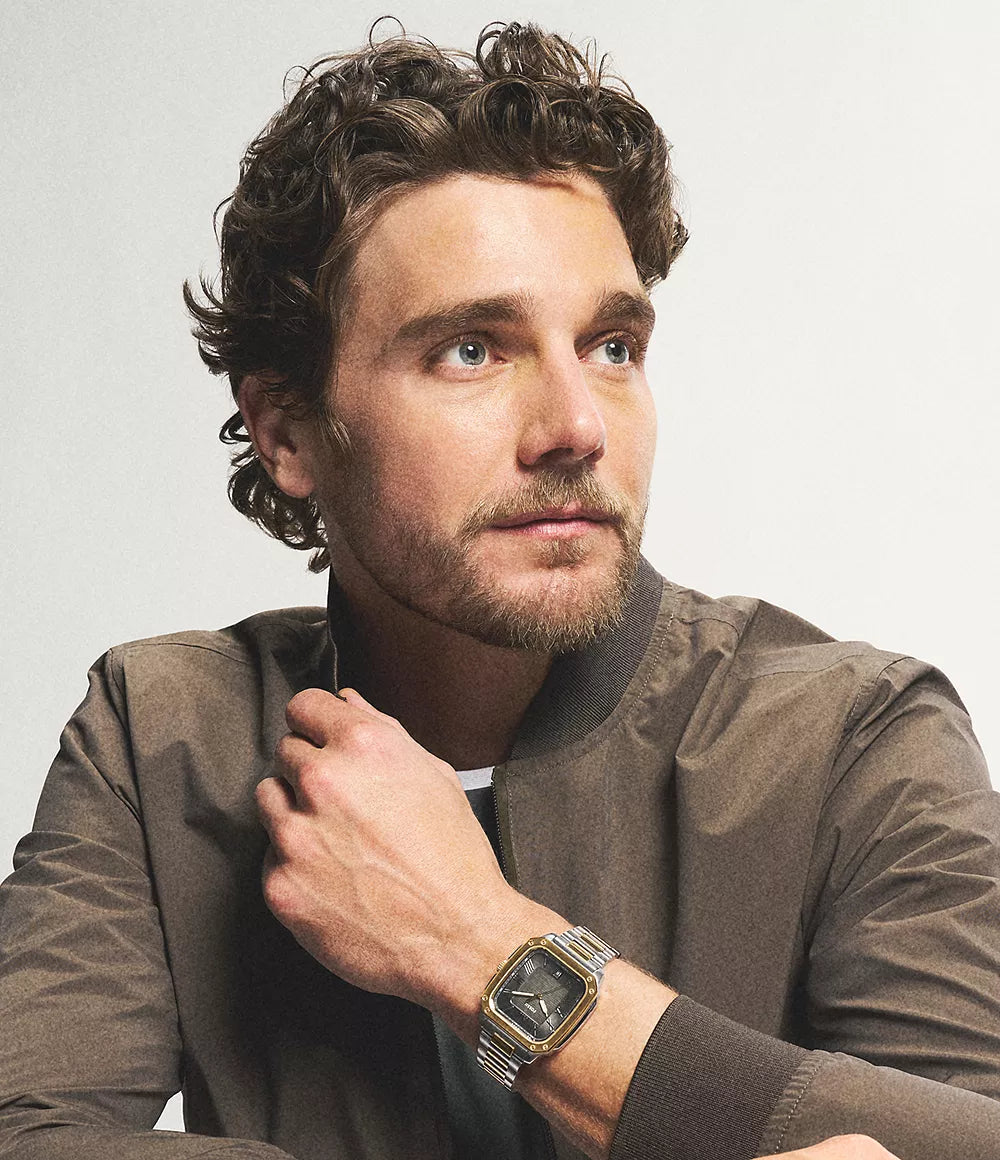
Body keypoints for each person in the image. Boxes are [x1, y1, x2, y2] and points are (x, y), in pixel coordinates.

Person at [0, 19, 998, 1160]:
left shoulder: (853, 739)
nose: (577, 425)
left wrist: (482, 946)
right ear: (287, 431)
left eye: (612, 346)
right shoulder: (161, 735)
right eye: (472, 349)